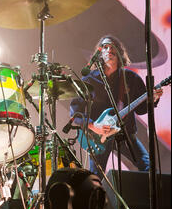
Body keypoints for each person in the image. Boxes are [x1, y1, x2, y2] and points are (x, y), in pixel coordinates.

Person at [70, 35, 163, 177]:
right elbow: (75, 113)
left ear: (120, 53)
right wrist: (93, 126)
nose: (109, 50)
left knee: (149, 169)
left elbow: (141, 109)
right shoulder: (89, 80)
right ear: (99, 54)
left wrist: (153, 99)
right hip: (98, 137)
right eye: (105, 47)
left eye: (113, 47)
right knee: (96, 176)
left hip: (125, 134)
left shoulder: (131, 78)